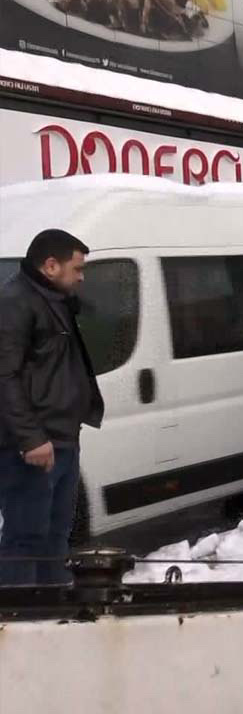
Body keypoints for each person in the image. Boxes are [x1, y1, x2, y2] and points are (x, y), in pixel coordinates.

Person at [0, 229, 103, 587]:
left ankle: (54, 615)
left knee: (56, 536)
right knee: (26, 539)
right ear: (50, 265)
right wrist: (31, 438)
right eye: (77, 268)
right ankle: (20, 620)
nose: (81, 276)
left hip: (63, 439)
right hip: (34, 447)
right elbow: (5, 375)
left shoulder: (53, 299)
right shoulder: (15, 303)